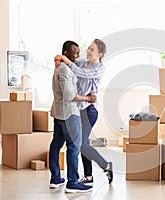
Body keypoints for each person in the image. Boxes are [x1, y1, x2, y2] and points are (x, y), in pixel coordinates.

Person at [55, 39, 113, 186]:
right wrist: (58, 58)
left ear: (99, 54)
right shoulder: (81, 62)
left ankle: (105, 165)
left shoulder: (100, 68)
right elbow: (67, 61)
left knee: (81, 144)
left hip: (89, 110)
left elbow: (80, 72)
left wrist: (66, 61)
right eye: (88, 48)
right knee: (83, 143)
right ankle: (88, 176)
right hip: (78, 108)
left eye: (92, 50)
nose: (88, 51)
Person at [49, 40, 95, 193]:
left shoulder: (60, 67)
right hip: (69, 113)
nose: (78, 53)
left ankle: (56, 178)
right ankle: (73, 182)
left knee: (56, 144)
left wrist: (58, 58)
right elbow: (69, 95)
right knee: (74, 146)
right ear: (66, 53)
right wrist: (87, 98)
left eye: (78, 51)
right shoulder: (65, 70)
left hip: (58, 112)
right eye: (74, 51)